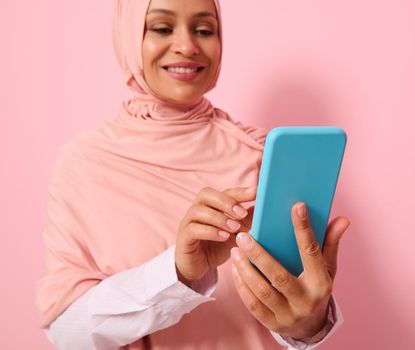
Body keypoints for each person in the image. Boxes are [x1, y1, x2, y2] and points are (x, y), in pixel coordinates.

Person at [35, 0, 351, 349]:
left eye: (204, 30)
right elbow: (66, 333)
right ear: (128, 36)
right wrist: (177, 272)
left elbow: (296, 308)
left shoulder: (260, 153)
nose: (187, 46)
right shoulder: (83, 163)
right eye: (161, 28)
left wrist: (309, 325)